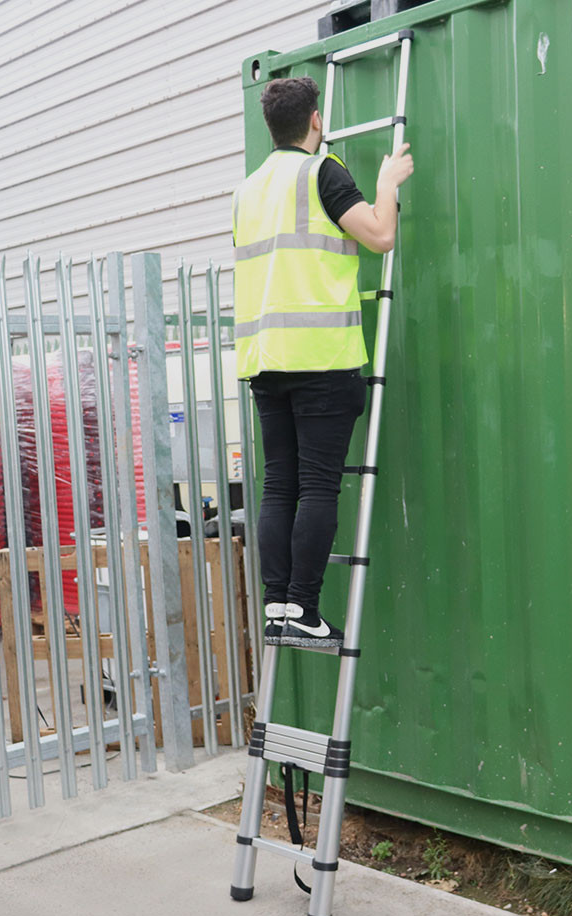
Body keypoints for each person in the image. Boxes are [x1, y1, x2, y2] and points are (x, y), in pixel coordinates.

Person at [232, 75, 413, 649]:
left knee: (280, 484)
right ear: (315, 121)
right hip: (321, 358)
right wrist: (386, 182)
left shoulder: (249, 189)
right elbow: (381, 235)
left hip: (265, 361)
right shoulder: (322, 172)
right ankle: (304, 608)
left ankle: (278, 606)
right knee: (316, 486)